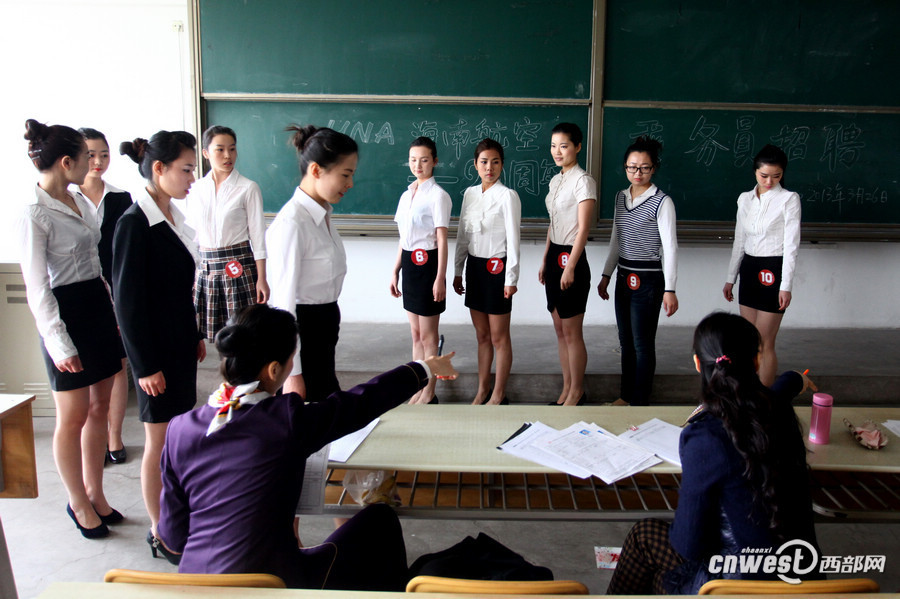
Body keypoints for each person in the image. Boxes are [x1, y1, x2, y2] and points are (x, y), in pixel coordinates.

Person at [157, 303, 458, 590]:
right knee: (380, 520)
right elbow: (361, 402)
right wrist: (424, 368)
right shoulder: (285, 420)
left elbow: (172, 539)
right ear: (274, 371)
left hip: (195, 585)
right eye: (292, 359)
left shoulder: (179, 428)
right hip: (272, 586)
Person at [606, 312, 819, 595]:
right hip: (804, 585)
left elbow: (689, 545)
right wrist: (793, 378)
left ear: (697, 364)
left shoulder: (705, 437)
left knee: (644, 537)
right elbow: (778, 392)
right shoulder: (778, 410)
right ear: (756, 361)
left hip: (737, 588)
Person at [18, 119, 123, 538]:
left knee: (100, 407)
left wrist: (112, 311)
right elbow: (36, 287)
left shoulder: (78, 196)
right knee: (73, 415)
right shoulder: (34, 212)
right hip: (65, 314)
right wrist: (59, 343)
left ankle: (96, 491)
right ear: (66, 162)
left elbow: (95, 264)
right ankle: (77, 500)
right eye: (86, 158)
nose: (93, 164)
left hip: (96, 305)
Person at [114, 130, 205, 552]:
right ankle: (160, 531)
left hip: (179, 346)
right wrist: (144, 366)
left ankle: (177, 516)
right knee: (158, 442)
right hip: (156, 358)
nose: (192, 178)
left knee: (176, 439)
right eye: (186, 169)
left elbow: (176, 291)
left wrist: (195, 335)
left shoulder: (171, 218)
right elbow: (127, 306)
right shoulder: (135, 224)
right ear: (158, 168)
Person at [267, 125, 357, 402]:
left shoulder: (322, 216)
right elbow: (282, 304)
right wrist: (293, 374)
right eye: (345, 174)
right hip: (303, 334)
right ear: (316, 170)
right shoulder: (292, 223)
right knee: (314, 421)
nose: (350, 184)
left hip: (323, 329)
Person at [597, 136, 678, 406]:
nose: (637, 173)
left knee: (643, 343)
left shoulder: (662, 202)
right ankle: (625, 396)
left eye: (644, 168)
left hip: (649, 280)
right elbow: (615, 239)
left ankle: (640, 401)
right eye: (632, 167)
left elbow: (670, 248)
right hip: (623, 276)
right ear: (625, 167)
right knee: (625, 341)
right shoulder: (621, 197)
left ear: (653, 168)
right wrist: (606, 275)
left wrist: (670, 289)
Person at [75, 127, 132, 465]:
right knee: (86, 370)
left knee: (118, 365)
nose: (97, 162)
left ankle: (115, 436)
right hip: (84, 291)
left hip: (116, 287)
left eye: (104, 155)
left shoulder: (121, 198)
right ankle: (90, 434)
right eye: (91, 155)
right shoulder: (67, 198)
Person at [723, 144, 800, 386]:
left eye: (776, 176)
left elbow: (791, 245)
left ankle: (764, 399)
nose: (770, 181)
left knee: (765, 340)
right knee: (747, 340)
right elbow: (739, 240)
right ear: (755, 171)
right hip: (749, 267)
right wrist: (730, 277)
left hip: (772, 269)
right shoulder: (744, 199)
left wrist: (785, 285)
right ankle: (746, 394)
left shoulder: (789, 199)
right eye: (764, 175)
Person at [453, 138, 521, 405]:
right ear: (475, 164)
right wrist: (458, 270)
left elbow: (514, 240)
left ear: (502, 165)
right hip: (475, 268)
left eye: (495, 162)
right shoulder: (469, 194)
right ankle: (482, 390)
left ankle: (499, 392)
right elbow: (462, 235)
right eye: (484, 162)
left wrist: (511, 278)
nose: (489, 167)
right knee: (482, 336)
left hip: (497, 268)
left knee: (498, 337)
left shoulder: (508, 196)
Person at [189, 125, 269, 342]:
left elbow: (258, 237)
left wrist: (262, 278)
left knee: (244, 334)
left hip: (239, 267)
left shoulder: (247, 187)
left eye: (232, 149)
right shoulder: (196, 189)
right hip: (207, 270)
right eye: (220, 149)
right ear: (206, 153)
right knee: (216, 336)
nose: (227, 156)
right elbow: (192, 235)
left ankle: (244, 376)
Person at [390, 136, 451, 405]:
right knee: (415, 334)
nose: (418, 164)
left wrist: (440, 277)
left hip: (428, 267)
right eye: (413, 160)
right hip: (409, 265)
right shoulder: (406, 195)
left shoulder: (439, 196)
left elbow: (441, 240)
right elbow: (404, 239)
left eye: (424, 160)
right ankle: (417, 385)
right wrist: (395, 271)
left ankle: (430, 392)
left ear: (434, 162)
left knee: (429, 337)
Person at [539, 123, 595, 406]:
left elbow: (583, 229)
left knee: (572, 331)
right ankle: (566, 388)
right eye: (553, 145)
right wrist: (545, 259)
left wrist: (570, 266)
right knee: (559, 328)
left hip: (572, 258)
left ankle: (577, 391)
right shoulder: (555, 180)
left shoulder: (583, 180)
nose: (557, 151)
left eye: (563, 145)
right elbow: (553, 224)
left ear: (577, 147)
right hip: (555, 256)